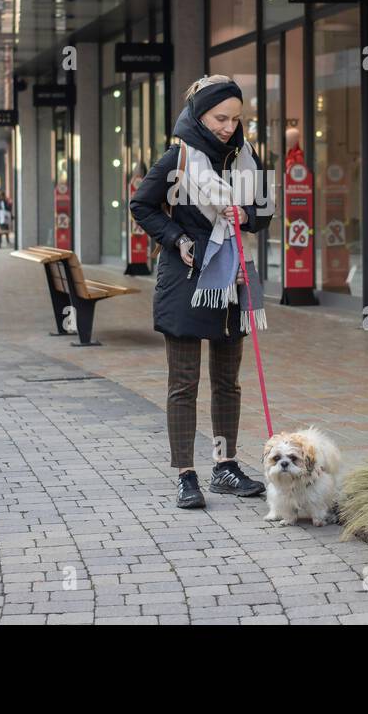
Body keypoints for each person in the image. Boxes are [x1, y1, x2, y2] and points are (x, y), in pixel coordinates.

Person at [129, 74, 273, 509]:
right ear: (199, 114)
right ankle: (185, 475)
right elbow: (142, 205)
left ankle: (224, 466)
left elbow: (263, 212)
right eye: (220, 118)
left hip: (232, 278)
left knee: (228, 382)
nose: (229, 127)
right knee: (184, 383)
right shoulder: (178, 157)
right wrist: (177, 239)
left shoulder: (246, 158)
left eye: (235, 118)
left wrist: (244, 215)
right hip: (187, 280)